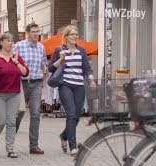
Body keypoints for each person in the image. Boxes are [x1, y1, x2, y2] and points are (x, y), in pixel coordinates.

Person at [48, 25, 96, 156]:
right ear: (66, 37)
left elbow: (87, 68)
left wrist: (91, 79)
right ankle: (73, 146)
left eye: (77, 34)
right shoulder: (59, 50)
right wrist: (61, 58)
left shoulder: (82, 51)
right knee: (71, 114)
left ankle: (64, 135)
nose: (75, 36)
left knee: (76, 116)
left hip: (79, 86)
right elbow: (50, 68)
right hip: (65, 85)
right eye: (72, 34)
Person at [0, 33, 29, 158]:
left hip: (14, 94)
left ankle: (10, 149)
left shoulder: (16, 57)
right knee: (1, 121)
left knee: (11, 122)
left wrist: (16, 63)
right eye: (8, 41)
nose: (10, 43)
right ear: (1, 43)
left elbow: (25, 73)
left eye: (12, 41)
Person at [12, 23, 47, 154]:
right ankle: (11, 140)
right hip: (22, 83)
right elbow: (11, 62)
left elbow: (44, 65)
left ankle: (33, 145)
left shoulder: (41, 47)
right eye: (33, 32)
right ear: (28, 33)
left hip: (36, 83)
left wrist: (43, 80)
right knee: (19, 112)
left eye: (37, 31)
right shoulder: (19, 46)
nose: (36, 34)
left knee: (35, 114)